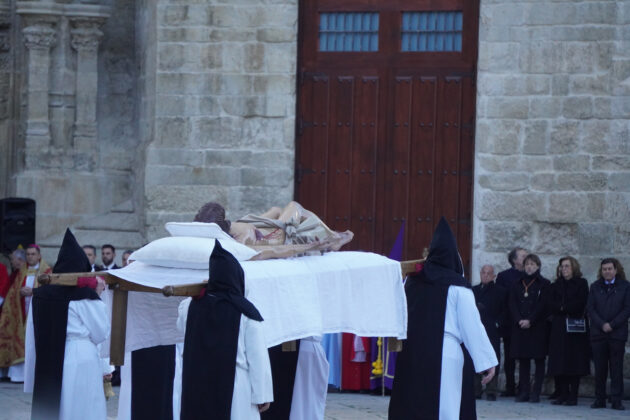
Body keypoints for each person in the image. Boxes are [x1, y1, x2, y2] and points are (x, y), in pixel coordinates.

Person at [389, 218, 497, 420]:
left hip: (413, 353)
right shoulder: (458, 287)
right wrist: (487, 361)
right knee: (445, 408)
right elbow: (472, 327)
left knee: (415, 406)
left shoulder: (411, 283)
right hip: (446, 353)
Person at [177, 241, 273, 419]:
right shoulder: (246, 311)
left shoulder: (189, 306)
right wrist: (262, 394)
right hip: (235, 386)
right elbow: (257, 356)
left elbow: (182, 328)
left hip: (198, 381)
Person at [27, 228, 110, 420]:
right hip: (81, 353)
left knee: (61, 405)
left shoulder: (41, 295)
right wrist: (97, 296)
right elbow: (100, 333)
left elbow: (33, 331)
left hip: (50, 353)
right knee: (82, 405)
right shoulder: (86, 298)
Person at [0, 244, 51, 383]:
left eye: (33, 254)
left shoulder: (46, 271)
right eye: (28, 254)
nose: (30, 257)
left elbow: (49, 291)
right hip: (21, 313)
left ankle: (35, 375)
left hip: (37, 313)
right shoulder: (22, 271)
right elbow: (12, 291)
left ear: (39, 255)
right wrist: (19, 292)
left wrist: (33, 292)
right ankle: (19, 375)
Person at [587, 258, 630, 411]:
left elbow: (627, 309)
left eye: (610, 269)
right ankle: (600, 399)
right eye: (604, 269)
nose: (607, 271)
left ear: (616, 270)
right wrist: (602, 324)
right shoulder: (595, 286)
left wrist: (612, 324)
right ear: (601, 271)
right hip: (598, 334)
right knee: (600, 369)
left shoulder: (625, 287)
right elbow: (590, 309)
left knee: (616, 369)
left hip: (617, 334)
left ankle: (616, 400)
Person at [546, 256, 590, 406]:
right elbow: (551, 303)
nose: (564, 269)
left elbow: (580, 303)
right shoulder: (555, 285)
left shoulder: (581, 283)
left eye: (567, 266)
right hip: (559, 327)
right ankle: (563, 394)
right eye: (562, 266)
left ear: (573, 268)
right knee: (560, 361)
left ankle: (573, 396)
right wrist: (562, 308)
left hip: (575, 326)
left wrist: (563, 308)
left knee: (574, 361)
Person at [509, 254, 549, 403]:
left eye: (533, 264)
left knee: (539, 360)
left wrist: (530, 320)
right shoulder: (516, 283)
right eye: (527, 264)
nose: (529, 267)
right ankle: (524, 391)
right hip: (521, 327)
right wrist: (519, 319)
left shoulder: (544, 283)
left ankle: (536, 393)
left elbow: (543, 305)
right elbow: (512, 303)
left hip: (536, 327)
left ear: (538, 266)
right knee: (523, 360)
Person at [495, 246, 527, 397]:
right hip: (509, 322)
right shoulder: (504, 276)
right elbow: (500, 299)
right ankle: (510, 387)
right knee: (509, 356)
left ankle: (523, 387)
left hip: (525, 322)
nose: (526, 258)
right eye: (522, 256)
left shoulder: (530, 274)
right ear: (514, 260)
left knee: (524, 356)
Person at [472, 264, 505, 401]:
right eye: (483, 272)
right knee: (475, 356)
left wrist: (497, 323)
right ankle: (476, 389)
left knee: (493, 357)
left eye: (488, 273)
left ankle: (491, 390)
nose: (485, 275)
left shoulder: (500, 291)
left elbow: (504, 311)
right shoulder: (473, 290)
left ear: (493, 276)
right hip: (476, 329)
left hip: (491, 329)